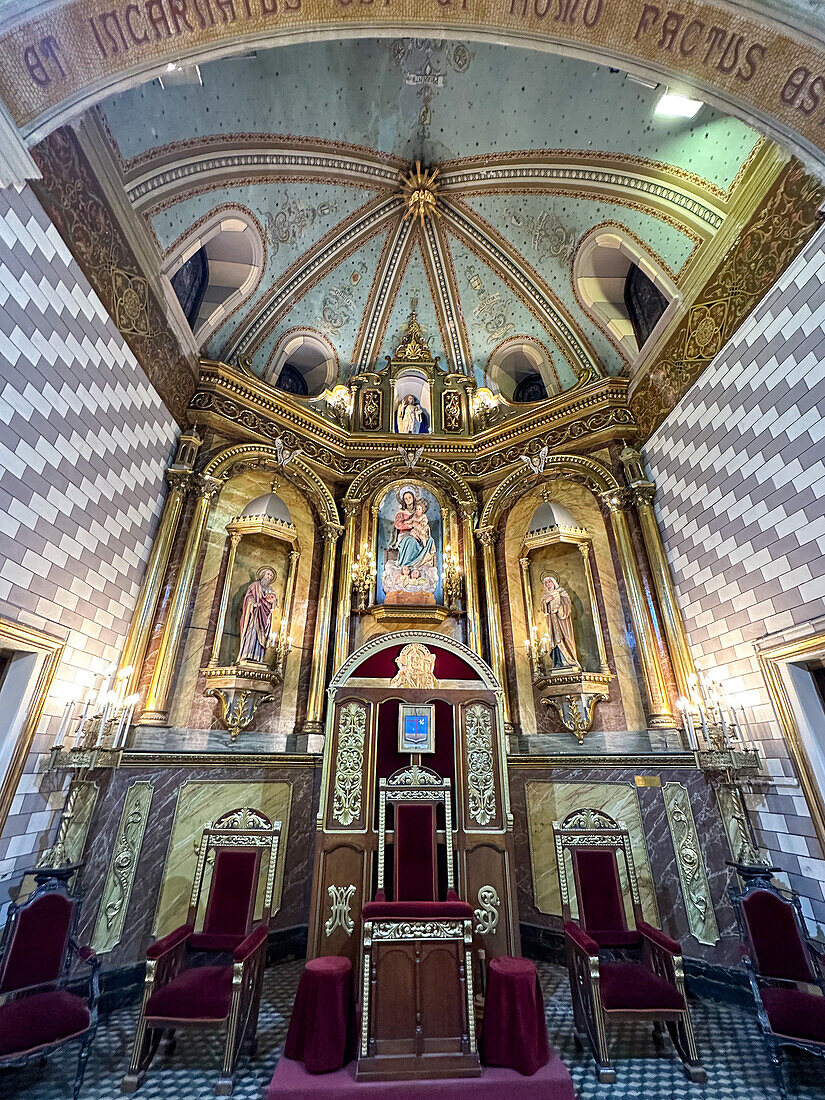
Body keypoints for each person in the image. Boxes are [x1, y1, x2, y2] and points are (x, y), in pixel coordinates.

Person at [237, 566, 278, 663]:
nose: (269, 577)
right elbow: (249, 597)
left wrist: (273, 601)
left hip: (265, 617)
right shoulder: (255, 585)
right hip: (255, 614)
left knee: (262, 636)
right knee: (252, 633)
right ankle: (247, 654)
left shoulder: (271, 589)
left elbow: (274, 604)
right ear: (263, 574)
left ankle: (258, 657)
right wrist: (253, 604)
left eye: (271, 575)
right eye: (268, 574)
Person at [540, 573, 579, 669]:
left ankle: (568, 660)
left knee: (564, 638)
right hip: (552, 622)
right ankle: (558, 662)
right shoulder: (545, 596)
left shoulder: (561, 592)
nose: (548, 584)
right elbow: (543, 608)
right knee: (554, 640)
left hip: (562, 621)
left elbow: (567, 604)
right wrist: (546, 601)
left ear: (553, 582)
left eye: (549, 582)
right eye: (546, 583)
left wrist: (559, 609)